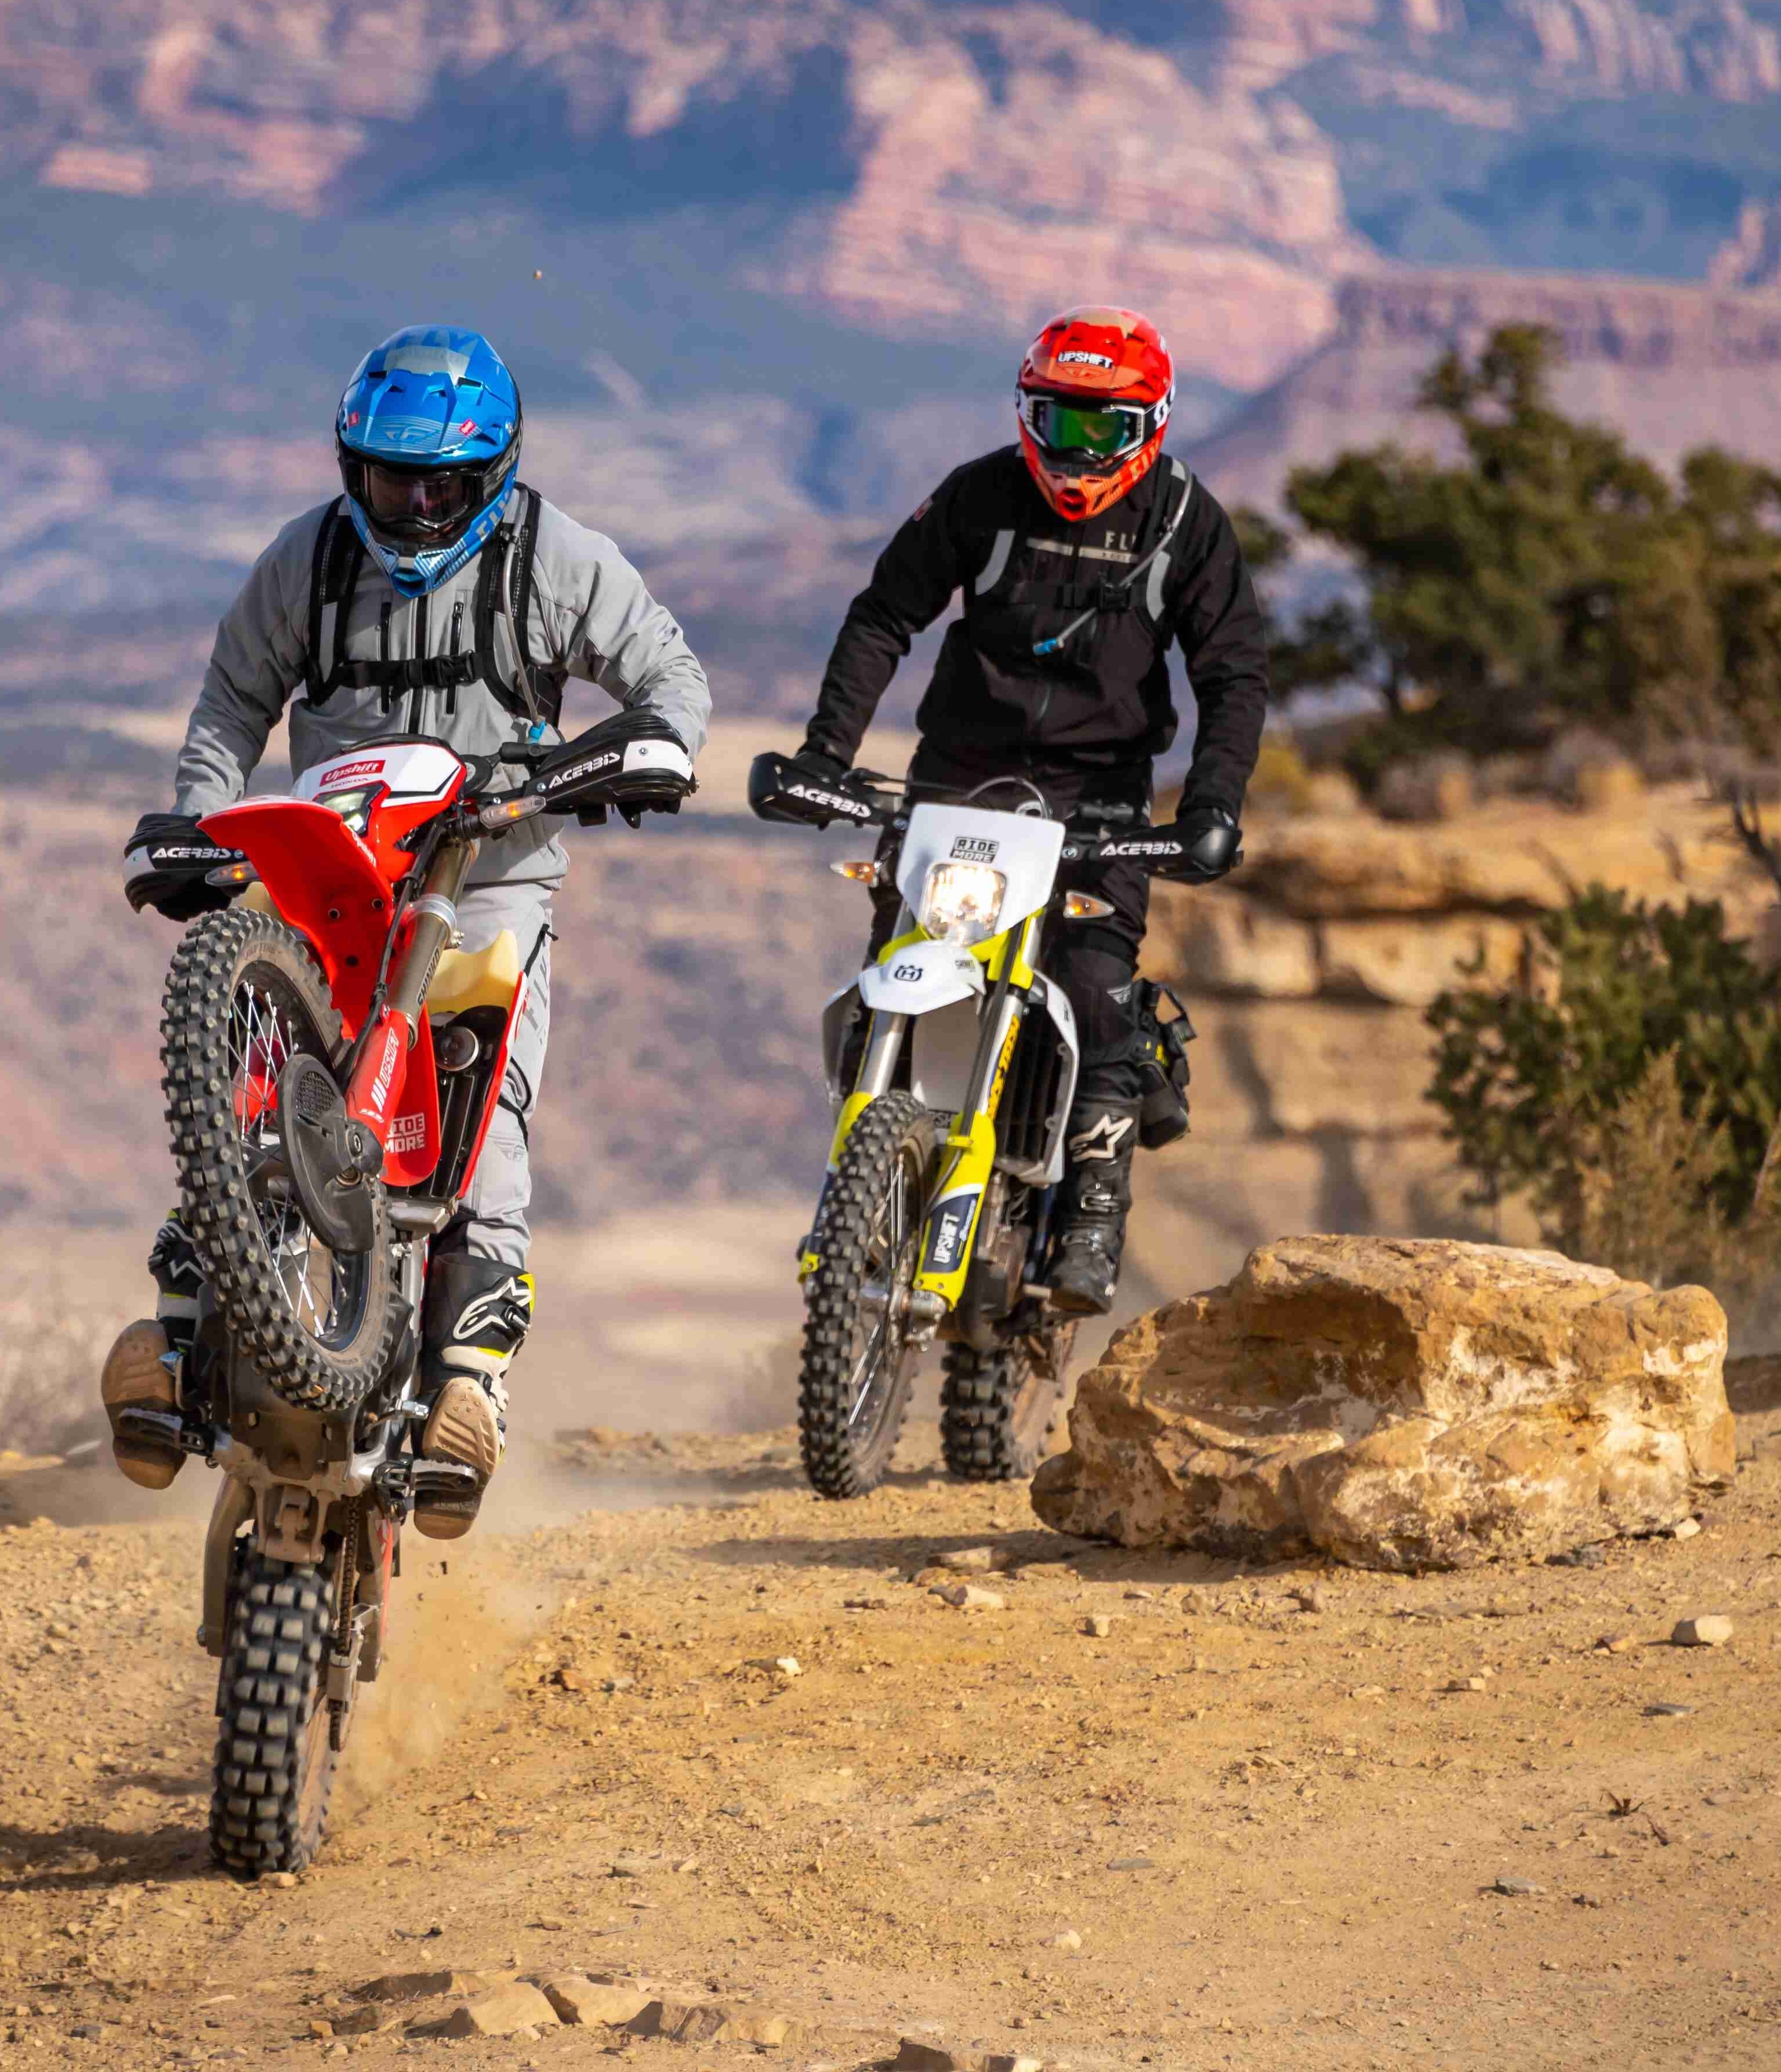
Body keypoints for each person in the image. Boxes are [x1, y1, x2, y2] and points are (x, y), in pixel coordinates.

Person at [111, 324, 711, 1533]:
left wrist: (639, 753)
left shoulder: (555, 556)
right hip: (332, 867)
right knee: (249, 1076)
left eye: (444, 483)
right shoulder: (310, 560)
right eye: (395, 481)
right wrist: (202, 820)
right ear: (356, 468)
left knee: (488, 1104)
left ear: (494, 471)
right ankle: (179, 1339)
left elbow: (674, 681)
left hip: (487, 868)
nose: (420, 506)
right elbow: (231, 700)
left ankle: (467, 1386)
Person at [790, 306, 1265, 1316]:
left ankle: (1093, 1206)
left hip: (1102, 798)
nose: (1077, 449)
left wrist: (1212, 804)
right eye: (1059, 420)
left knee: (1094, 986)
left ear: (1151, 426)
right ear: (1025, 411)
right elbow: (884, 615)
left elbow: (1234, 673)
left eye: (1104, 428)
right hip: (958, 778)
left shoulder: (1187, 523)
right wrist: (825, 754)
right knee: (892, 972)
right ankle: (866, 1182)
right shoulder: (981, 495)